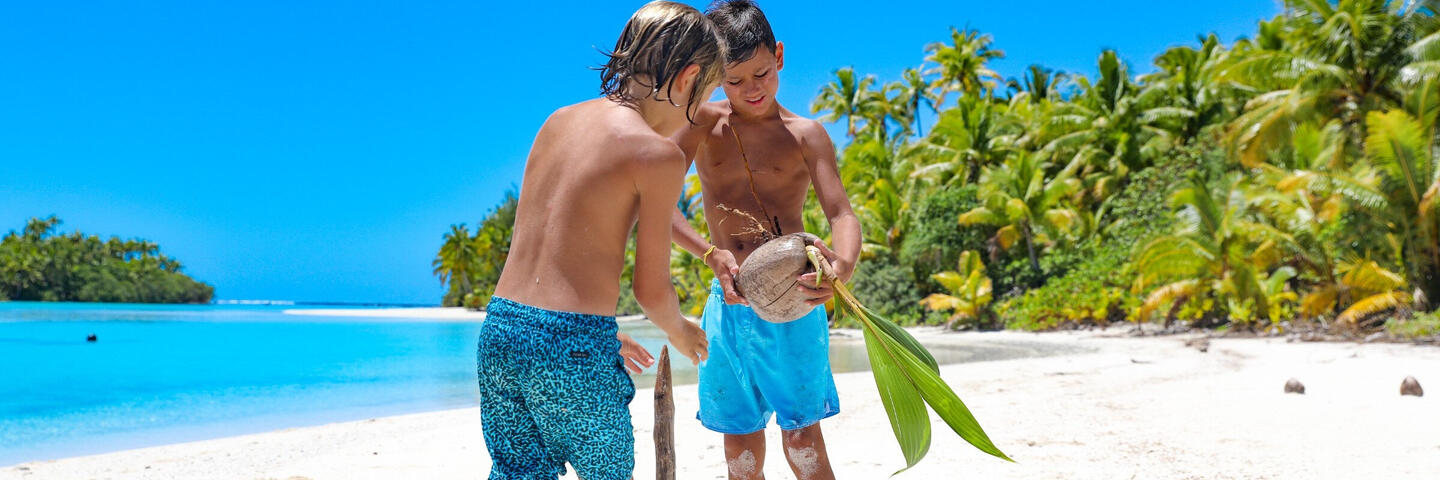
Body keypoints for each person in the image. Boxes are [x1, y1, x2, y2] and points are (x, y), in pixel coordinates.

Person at [477, 2, 721, 478]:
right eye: (702, 97)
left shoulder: (557, 121)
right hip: (572, 344)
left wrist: (600, 334)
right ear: (688, 78)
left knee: (518, 472)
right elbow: (650, 291)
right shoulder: (656, 154)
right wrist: (679, 330)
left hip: (502, 331)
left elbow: (550, 254)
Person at [670, 1, 861, 479]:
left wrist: (842, 267)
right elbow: (658, 208)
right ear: (714, 75)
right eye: (734, 81)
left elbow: (841, 213)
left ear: (778, 55)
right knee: (741, 449)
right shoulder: (700, 128)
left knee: (803, 442)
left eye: (760, 73)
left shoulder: (805, 135)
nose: (750, 90)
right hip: (728, 304)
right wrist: (709, 253)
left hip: (794, 302)